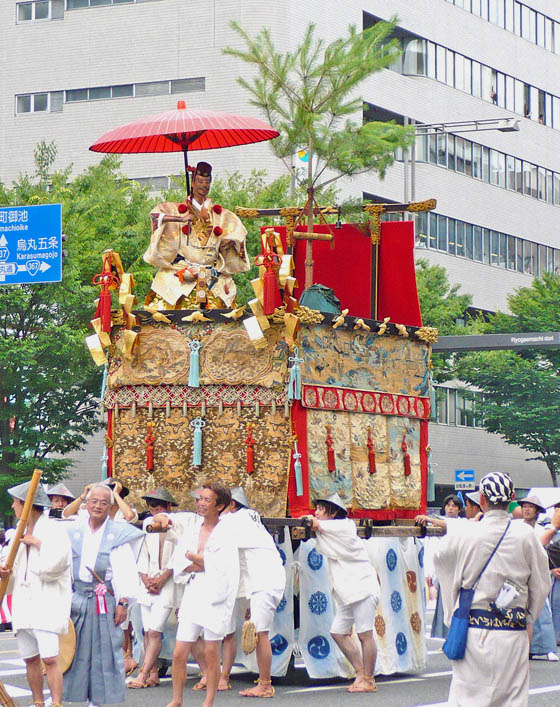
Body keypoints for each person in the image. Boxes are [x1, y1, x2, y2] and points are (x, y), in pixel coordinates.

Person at [434, 472, 550, 707]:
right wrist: (528, 616)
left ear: (483, 500)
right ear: (511, 500)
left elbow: (440, 559)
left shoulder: (467, 532)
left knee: (467, 699)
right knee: (512, 699)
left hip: (473, 633)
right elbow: (541, 584)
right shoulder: (525, 535)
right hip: (512, 632)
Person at [63, 483, 144, 707]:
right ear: (86, 504)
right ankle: (74, 695)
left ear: (110, 506)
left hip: (104, 599)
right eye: (93, 501)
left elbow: (125, 571)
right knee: (74, 649)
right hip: (78, 597)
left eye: (103, 502)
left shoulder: (116, 533)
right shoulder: (75, 529)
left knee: (105, 650)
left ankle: (99, 700)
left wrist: (123, 602)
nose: (97, 506)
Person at [166, 481, 239, 707]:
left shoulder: (227, 531)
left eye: (207, 500)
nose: (201, 504)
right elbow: (179, 560)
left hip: (216, 596)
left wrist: (198, 559)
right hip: (194, 591)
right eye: (200, 499)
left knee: (210, 651)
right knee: (179, 652)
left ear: (220, 506)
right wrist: (197, 562)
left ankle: (209, 701)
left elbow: (222, 564)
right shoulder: (192, 529)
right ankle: (177, 699)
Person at [0, 480, 72, 707]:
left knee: (50, 658)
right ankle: (39, 702)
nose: (13, 506)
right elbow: (8, 564)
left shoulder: (54, 530)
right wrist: (4, 570)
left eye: (16, 502)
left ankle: (56, 703)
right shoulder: (16, 534)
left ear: (27, 504)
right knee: (30, 658)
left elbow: (57, 564)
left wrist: (38, 543)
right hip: (23, 602)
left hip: (47, 602)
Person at [143, 161, 250, 310]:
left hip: (211, 276)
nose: (204, 185)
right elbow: (155, 216)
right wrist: (180, 219)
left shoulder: (219, 215)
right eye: (200, 181)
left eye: (207, 182)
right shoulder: (175, 210)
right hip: (182, 273)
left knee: (223, 312)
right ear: (192, 183)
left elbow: (237, 232)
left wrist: (227, 244)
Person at [303, 493, 380, 693]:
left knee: (365, 634)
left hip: (362, 587)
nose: (316, 512)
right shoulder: (331, 530)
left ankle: (369, 680)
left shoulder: (343, 525)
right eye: (317, 508)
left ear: (334, 512)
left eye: (321, 509)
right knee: (337, 632)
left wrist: (311, 519)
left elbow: (316, 524)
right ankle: (361, 672)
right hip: (347, 590)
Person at [219, 486, 286, 697]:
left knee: (261, 634)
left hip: (264, 582)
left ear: (232, 505)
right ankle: (263, 681)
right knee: (260, 632)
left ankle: (265, 684)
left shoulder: (235, 520)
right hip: (268, 579)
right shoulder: (251, 518)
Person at [129, 486, 181, 689]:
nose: (153, 509)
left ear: (168, 506)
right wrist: (145, 578)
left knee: (155, 631)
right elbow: (143, 555)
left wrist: (163, 578)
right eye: (150, 506)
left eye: (157, 505)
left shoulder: (176, 525)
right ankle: (152, 672)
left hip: (167, 583)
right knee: (146, 630)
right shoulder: (148, 524)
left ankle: (143, 673)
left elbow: (179, 556)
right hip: (148, 581)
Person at [517, 495, 559, 661]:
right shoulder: (516, 528)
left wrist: (553, 567)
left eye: (530, 506)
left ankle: (548, 647)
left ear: (537, 511)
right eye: (525, 506)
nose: (527, 509)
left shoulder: (543, 531)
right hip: (520, 575)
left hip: (539, 574)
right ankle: (525, 648)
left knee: (542, 610)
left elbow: (549, 552)